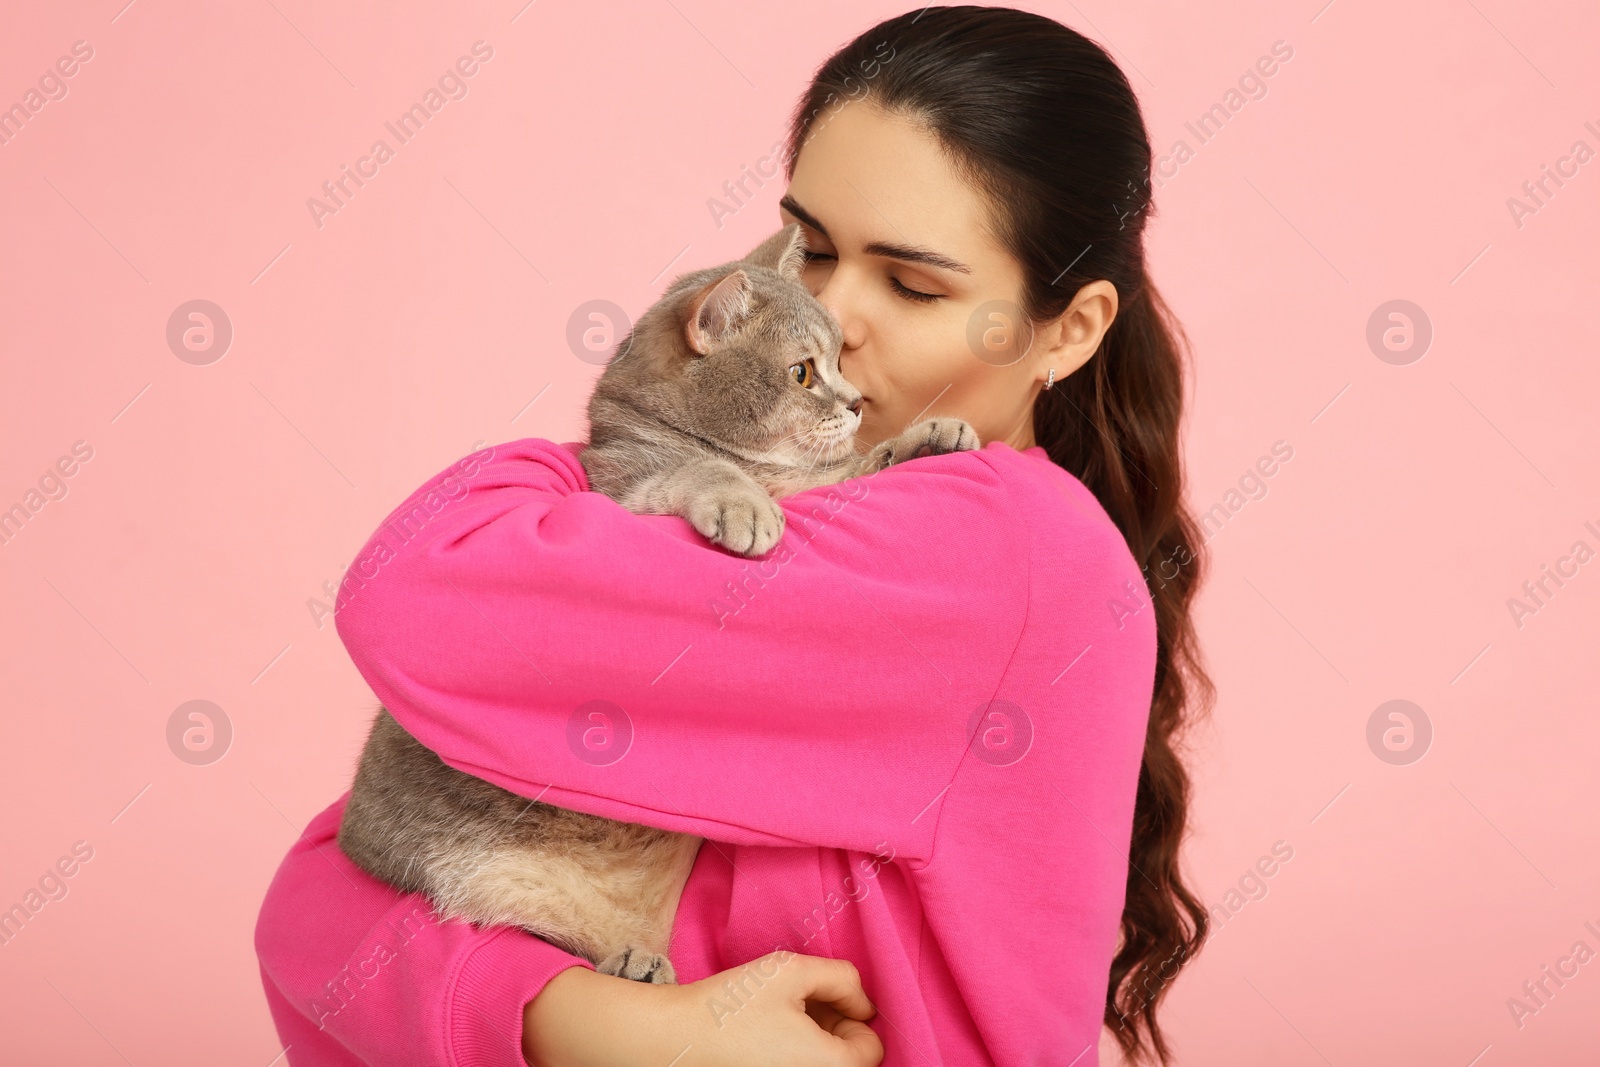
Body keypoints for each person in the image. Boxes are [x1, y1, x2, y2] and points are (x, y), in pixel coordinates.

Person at [254, 6, 1215, 1065]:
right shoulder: (814, 526)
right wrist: (609, 1021)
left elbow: (414, 595)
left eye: (909, 283)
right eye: (809, 248)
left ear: (1067, 331)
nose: (831, 316)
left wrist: (612, 446)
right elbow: (319, 897)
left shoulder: (1002, 550)